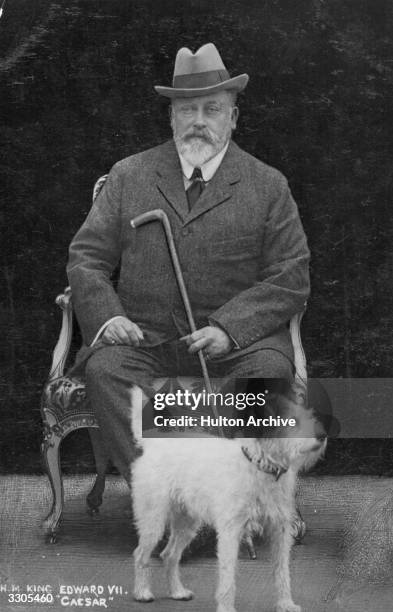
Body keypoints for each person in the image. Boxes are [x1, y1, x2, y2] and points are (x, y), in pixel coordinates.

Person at [67, 43, 310, 482]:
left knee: (269, 374)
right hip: (148, 340)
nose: (199, 122)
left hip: (239, 349)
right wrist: (109, 319)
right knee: (106, 369)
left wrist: (228, 330)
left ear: (232, 118)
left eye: (212, 109)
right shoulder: (129, 175)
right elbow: (86, 258)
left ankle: (230, 495)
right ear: (171, 117)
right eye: (187, 109)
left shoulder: (268, 184)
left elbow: (291, 274)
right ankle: (173, 498)